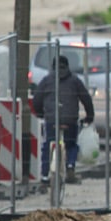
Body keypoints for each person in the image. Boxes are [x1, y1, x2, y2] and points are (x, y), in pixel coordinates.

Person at [33, 54, 95, 185]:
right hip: (70, 120)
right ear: (67, 66)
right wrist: (90, 116)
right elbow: (86, 98)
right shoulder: (75, 80)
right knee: (71, 144)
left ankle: (44, 175)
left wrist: (39, 113)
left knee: (47, 145)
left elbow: (37, 98)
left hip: (51, 120)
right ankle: (71, 166)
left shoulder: (47, 80)